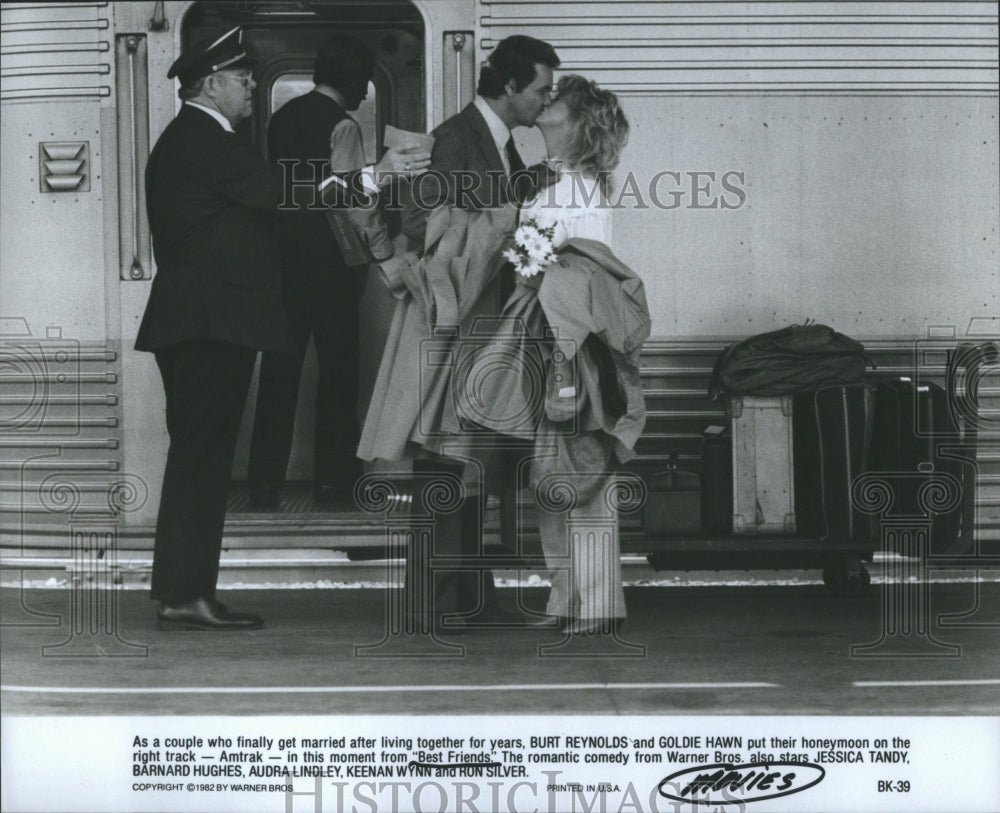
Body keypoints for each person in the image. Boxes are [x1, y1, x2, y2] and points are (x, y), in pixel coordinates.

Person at [135, 27, 429, 630]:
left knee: (199, 457)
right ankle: (186, 594)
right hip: (208, 322)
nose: (250, 88)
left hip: (202, 320)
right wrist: (374, 173)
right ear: (210, 85)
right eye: (242, 80)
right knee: (201, 459)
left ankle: (180, 591)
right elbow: (284, 192)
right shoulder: (203, 138)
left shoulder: (200, 138)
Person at [358, 35, 560, 633]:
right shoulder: (456, 138)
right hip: (453, 322)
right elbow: (422, 225)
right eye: (541, 89)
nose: (546, 101)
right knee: (446, 462)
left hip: (479, 320)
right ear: (511, 86)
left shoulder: (497, 143)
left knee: (470, 460)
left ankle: (467, 596)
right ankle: (435, 602)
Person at [457, 75, 649, 635]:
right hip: (553, 340)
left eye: (555, 99)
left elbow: (578, 279)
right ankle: (568, 598)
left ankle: (594, 603)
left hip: (572, 345)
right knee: (556, 471)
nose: (546, 102)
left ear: (574, 120)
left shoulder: (577, 191)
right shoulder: (563, 182)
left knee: (579, 471)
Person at [248, 36, 392, 511]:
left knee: (279, 372)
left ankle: (264, 482)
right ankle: (334, 482)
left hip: (284, 259)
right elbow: (352, 201)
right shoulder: (343, 127)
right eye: (364, 83)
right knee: (338, 373)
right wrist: (382, 251)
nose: (367, 93)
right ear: (350, 82)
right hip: (330, 263)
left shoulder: (282, 118)